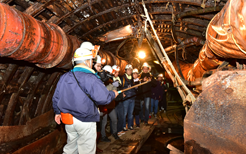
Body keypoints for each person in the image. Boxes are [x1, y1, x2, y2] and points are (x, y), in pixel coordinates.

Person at [52, 42, 118, 154]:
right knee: (86, 150)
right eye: (91, 61)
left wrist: (57, 112)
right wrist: (113, 94)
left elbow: (56, 97)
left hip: (69, 121)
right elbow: (103, 98)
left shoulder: (64, 77)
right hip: (85, 119)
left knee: (71, 148)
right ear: (87, 61)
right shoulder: (91, 78)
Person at [100, 65, 120, 142]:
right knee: (104, 122)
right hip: (103, 106)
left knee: (114, 119)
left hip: (111, 105)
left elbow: (115, 90)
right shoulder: (100, 82)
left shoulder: (112, 81)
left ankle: (114, 133)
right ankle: (103, 136)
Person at [121, 64, 136, 131]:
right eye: (128, 70)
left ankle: (130, 125)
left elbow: (136, 87)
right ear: (125, 70)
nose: (129, 71)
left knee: (131, 113)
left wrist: (136, 87)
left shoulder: (133, 78)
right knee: (124, 114)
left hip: (132, 98)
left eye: (130, 70)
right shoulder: (123, 78)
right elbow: (120, 87)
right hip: (126, 99)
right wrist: (123, 93)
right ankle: (124, 126)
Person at [112, 65, 125, 136]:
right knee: (114, 118)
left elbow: (120, 88)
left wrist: (122, 93)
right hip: (114, 101)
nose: (117, 73)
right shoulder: (111, 79)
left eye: (118, 72)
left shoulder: (118, 78)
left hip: (120, 100)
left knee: (121, 116)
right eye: (116, 72)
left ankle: (119, 130)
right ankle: (114, 132)